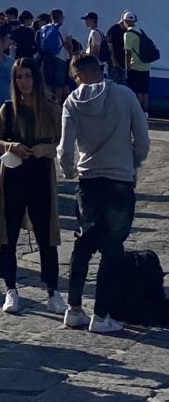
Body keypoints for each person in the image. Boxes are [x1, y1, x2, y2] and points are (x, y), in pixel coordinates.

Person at [58, 52, 150, 334]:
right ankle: (101, 314)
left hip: (89, 181)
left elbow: (65, 148)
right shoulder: (125, 95)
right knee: (112, 249)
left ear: (76, 76)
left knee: (83, 244)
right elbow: (142, 138)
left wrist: (70, 171)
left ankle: (74, 309)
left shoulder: (71, 102)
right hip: (120, 180)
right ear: (99, 69)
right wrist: (132, 164)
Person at [0, 58, 64, 315]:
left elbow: (63, 143)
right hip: (13, 175)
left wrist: (45, 149)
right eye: (19, 77)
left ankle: (52, 290)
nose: (24, 82)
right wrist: (13, 147)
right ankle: (11, 289)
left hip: (41, 175)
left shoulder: (51, 108)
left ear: (36, 78)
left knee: (46, 236)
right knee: (7, 235)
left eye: (28, 76)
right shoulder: (8, 109)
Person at [122, 11, 150, 112]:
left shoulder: (128, 34)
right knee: (144, 91)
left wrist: (127, 68)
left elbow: (127, 52)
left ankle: (137, 111)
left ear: (125, 21)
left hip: (135, 66)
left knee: (136, 90)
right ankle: (145, 111)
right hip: (146, 65)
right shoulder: (140, 31)